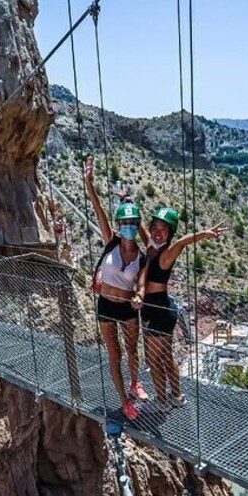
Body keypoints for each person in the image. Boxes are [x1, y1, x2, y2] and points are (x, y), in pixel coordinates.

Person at [141, 206, 227, 411]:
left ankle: (160, 402)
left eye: (164, 229)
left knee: (153, 360)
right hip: (161, 309)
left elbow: (182, 242)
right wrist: (126, 200)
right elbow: (141, 229)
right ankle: (177, 396)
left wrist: (205, 234)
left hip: (158, 311)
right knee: (166, 356)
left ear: (170, 233)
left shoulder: (166, 254)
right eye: (155, 227)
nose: (157, 231)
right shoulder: (152, 247)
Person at [84, 155, 148, 420]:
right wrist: (89, 183)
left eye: (133, 224)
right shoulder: (111, 241)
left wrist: (140, 296)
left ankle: (135, 384)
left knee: (132, 350)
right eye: (125, 224)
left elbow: (142, 284)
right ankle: (124, 400)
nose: (129, 228)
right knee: (115, 354)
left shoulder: (142, 256)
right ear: (119, 226)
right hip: (106, 306)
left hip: (128, 308)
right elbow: (98, 209)